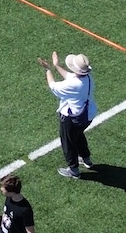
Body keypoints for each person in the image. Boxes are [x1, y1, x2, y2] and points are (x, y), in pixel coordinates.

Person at [37, 51, 96, 179]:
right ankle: (86, 159)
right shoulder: (88, 78)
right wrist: (57, 66)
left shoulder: (74, 85)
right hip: (88, 116)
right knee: (78, 136)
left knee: (68, 142)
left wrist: (48, 69)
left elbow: (53, 86)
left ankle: (74, 170)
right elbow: (70, 76)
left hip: (72, 118)